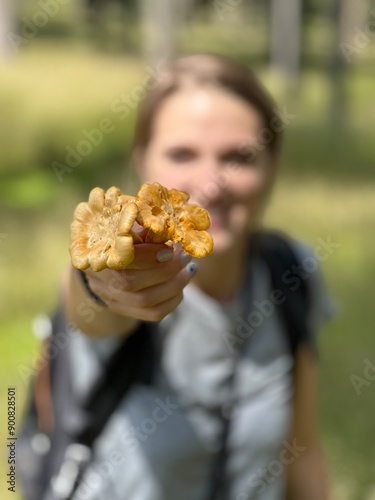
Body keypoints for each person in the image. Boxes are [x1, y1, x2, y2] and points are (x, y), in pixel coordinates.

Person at [23, 53, 334, 500]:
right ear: (141, 160)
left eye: (238, 156)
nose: (211, 182)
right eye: (182, 153)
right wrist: (106, 284)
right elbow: (90, 305)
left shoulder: (292, 272)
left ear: (273, 164)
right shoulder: (128, 267)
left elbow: (301, 449)